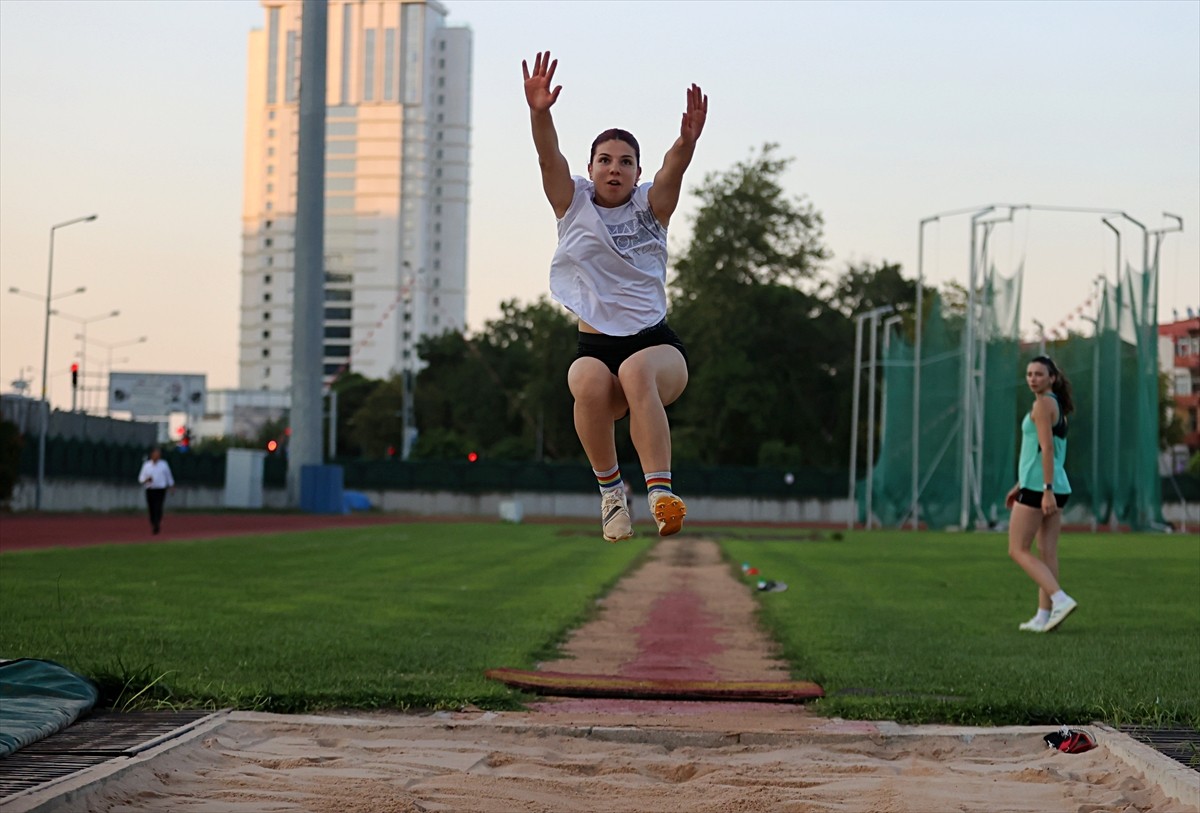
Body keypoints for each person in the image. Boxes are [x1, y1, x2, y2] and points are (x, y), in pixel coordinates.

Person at [521, 50, 706, 543]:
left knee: (635, 369)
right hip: (595, 349)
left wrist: (685, 144)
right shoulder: (571, 201)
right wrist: (541, 113)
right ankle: (611, 496)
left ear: (636, 171)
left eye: (626, 162)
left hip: (655, 346)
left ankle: (662, 492)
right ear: (591, 167)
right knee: (580, 376)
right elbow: (547, 156)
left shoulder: (652, 206)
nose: (615, 169)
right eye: (605, 160)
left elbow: (672, 171)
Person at [1005, 355, 1077, 632]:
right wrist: (1020, 484)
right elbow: (1042, 452)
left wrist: (1044, 490)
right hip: (1053, 486)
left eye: (1038, 374)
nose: (1032, 378)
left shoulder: (1043, 404)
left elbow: (1046, 450)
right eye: (1029, 374)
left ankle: (1060, 600)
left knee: (1017, 549)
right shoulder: (1055, 405)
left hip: (1042, 487)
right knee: (1047, 553)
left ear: (1052, 378)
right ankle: (1044, 616)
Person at [138, 446, 175, 534]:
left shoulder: (164, 464)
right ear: (152, 455)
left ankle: (157, 522)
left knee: (158, 506)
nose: (157, 456)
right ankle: (153, 522)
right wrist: (146, 480)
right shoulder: (146, 465)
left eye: (158, 454)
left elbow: (168, 475)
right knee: (151, 507)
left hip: (160, 489)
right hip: (150, 488)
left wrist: (171, 485)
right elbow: (141, 478)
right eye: (155, 454)